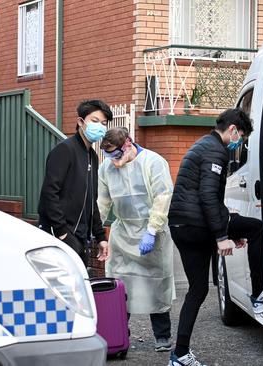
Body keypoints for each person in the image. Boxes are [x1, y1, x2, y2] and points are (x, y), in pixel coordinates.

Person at [167, 108, 263, 366]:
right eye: (241, 136)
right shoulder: (215, 152)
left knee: (197, 290)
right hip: (196, 225)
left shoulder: (202, 145)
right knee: (256, 228)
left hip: (181, 224)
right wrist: (222, 236)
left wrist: (229, 230)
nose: (239, 142)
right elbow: (208, 197)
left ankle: (179, 354)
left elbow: (204, 197)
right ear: (232, 129)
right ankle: (258, 296)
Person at [97, 127, 176, 352]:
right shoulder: (106, 169)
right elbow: (103, 202)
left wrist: (152, 230)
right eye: (109, 156)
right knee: (119, 286)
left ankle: (162, 336)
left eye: (118, 155)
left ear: (128, 143)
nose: (114, 162)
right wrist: (94, 230)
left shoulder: (153, 162)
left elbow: (163, 196)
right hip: (122, 233)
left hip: (151, 231)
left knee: (156, 285)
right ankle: (119, 334)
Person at [38, 99, 111, 265]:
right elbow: (50, 192)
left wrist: (100, 237)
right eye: (94, 121)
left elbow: (91, 200)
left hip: (81, 237)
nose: (99, 126)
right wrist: (62, 232)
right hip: (61, 235)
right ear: (80, 121)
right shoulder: (65, 150)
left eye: (103, 123)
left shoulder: (92, 155)